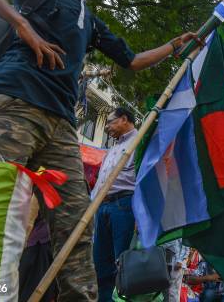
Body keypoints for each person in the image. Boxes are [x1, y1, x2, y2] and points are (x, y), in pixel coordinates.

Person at [0, 0, 200, 301]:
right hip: (9, 104)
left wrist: (174, 46)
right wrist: (20, 23)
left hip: (61, 124)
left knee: (77, 225)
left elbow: (132, 61)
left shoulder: (91, 22)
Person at [91, 107, 138, 301]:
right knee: (101, 264)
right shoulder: (112, 149)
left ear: (124, 119)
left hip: (124, 205)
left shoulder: (140, 142)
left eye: (110, 121)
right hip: (102, 207)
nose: (108, 126)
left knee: (123, 265)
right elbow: (102, 180)